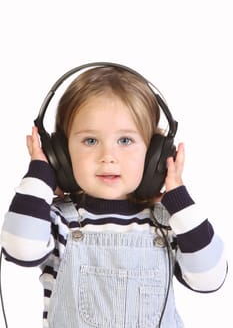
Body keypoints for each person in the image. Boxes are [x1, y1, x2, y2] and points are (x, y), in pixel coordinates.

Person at [1, 64, 227, 328]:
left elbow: (210, 278)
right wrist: (40, 174)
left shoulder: (166, 225)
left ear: (155, 153)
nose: (107, 156)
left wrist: (178, 198)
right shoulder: (58, 220)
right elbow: (19, 247)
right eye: (90, 141)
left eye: (125, 141)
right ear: (60, 153)